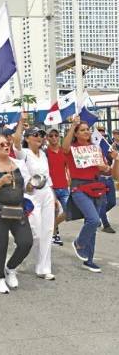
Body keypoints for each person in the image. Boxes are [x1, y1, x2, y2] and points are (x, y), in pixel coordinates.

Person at [62, 116, 118, 273]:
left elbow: (110, 173)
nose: (86, 132)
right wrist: (73, 125)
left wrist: (112, 163)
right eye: (83, 130)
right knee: (94, 220)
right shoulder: (71, 148)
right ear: (76, 133)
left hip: (96, 187)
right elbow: (64, 147)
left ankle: (89, 260)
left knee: (91, 224)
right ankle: (79, 243)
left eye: (87, 129)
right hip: (79, 188)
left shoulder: (95, 149)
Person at [0, 134, 33, 294]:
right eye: (1, 145)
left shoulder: (19, 164)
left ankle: (10, 267)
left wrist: (32, 185)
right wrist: (1, 181)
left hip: (18, 209)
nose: (6, 146)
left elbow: (27, 186)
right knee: (0, 245)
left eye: (7, 144)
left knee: (26, 242)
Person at [12, 118, 56, 280]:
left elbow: (48, 177)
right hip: (31, 196)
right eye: (35, 135)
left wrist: (54, 197)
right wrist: (20, 124)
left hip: (46, 194)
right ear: (27, 138)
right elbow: (16, 142)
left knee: (47, 231)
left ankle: (43, 268)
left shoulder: (43, 154)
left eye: (41, 135)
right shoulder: (24, 154)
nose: (39, 137)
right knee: (35, 232)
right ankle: (16, 260)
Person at [45, 129, 69, 245]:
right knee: (53, 212)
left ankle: (51, 228)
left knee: (68, 212)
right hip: (51, 188)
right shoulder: (44, 153)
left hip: (64, 187)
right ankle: (55, 235)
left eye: (56, 135)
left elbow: (68, 168)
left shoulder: (64, 151)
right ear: (47, 138)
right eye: (51, 136)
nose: (54, 137)